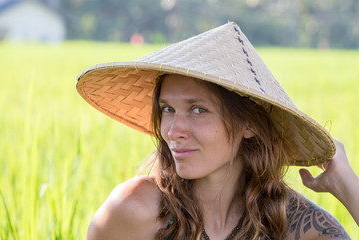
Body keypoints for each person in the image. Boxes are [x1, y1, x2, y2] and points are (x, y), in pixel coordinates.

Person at [76, 22, 355, 239]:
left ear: (249, 124)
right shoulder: (135, 210)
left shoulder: (296, 227)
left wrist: (347, 185)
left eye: (198, 110)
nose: (173, 131)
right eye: (167, 109)